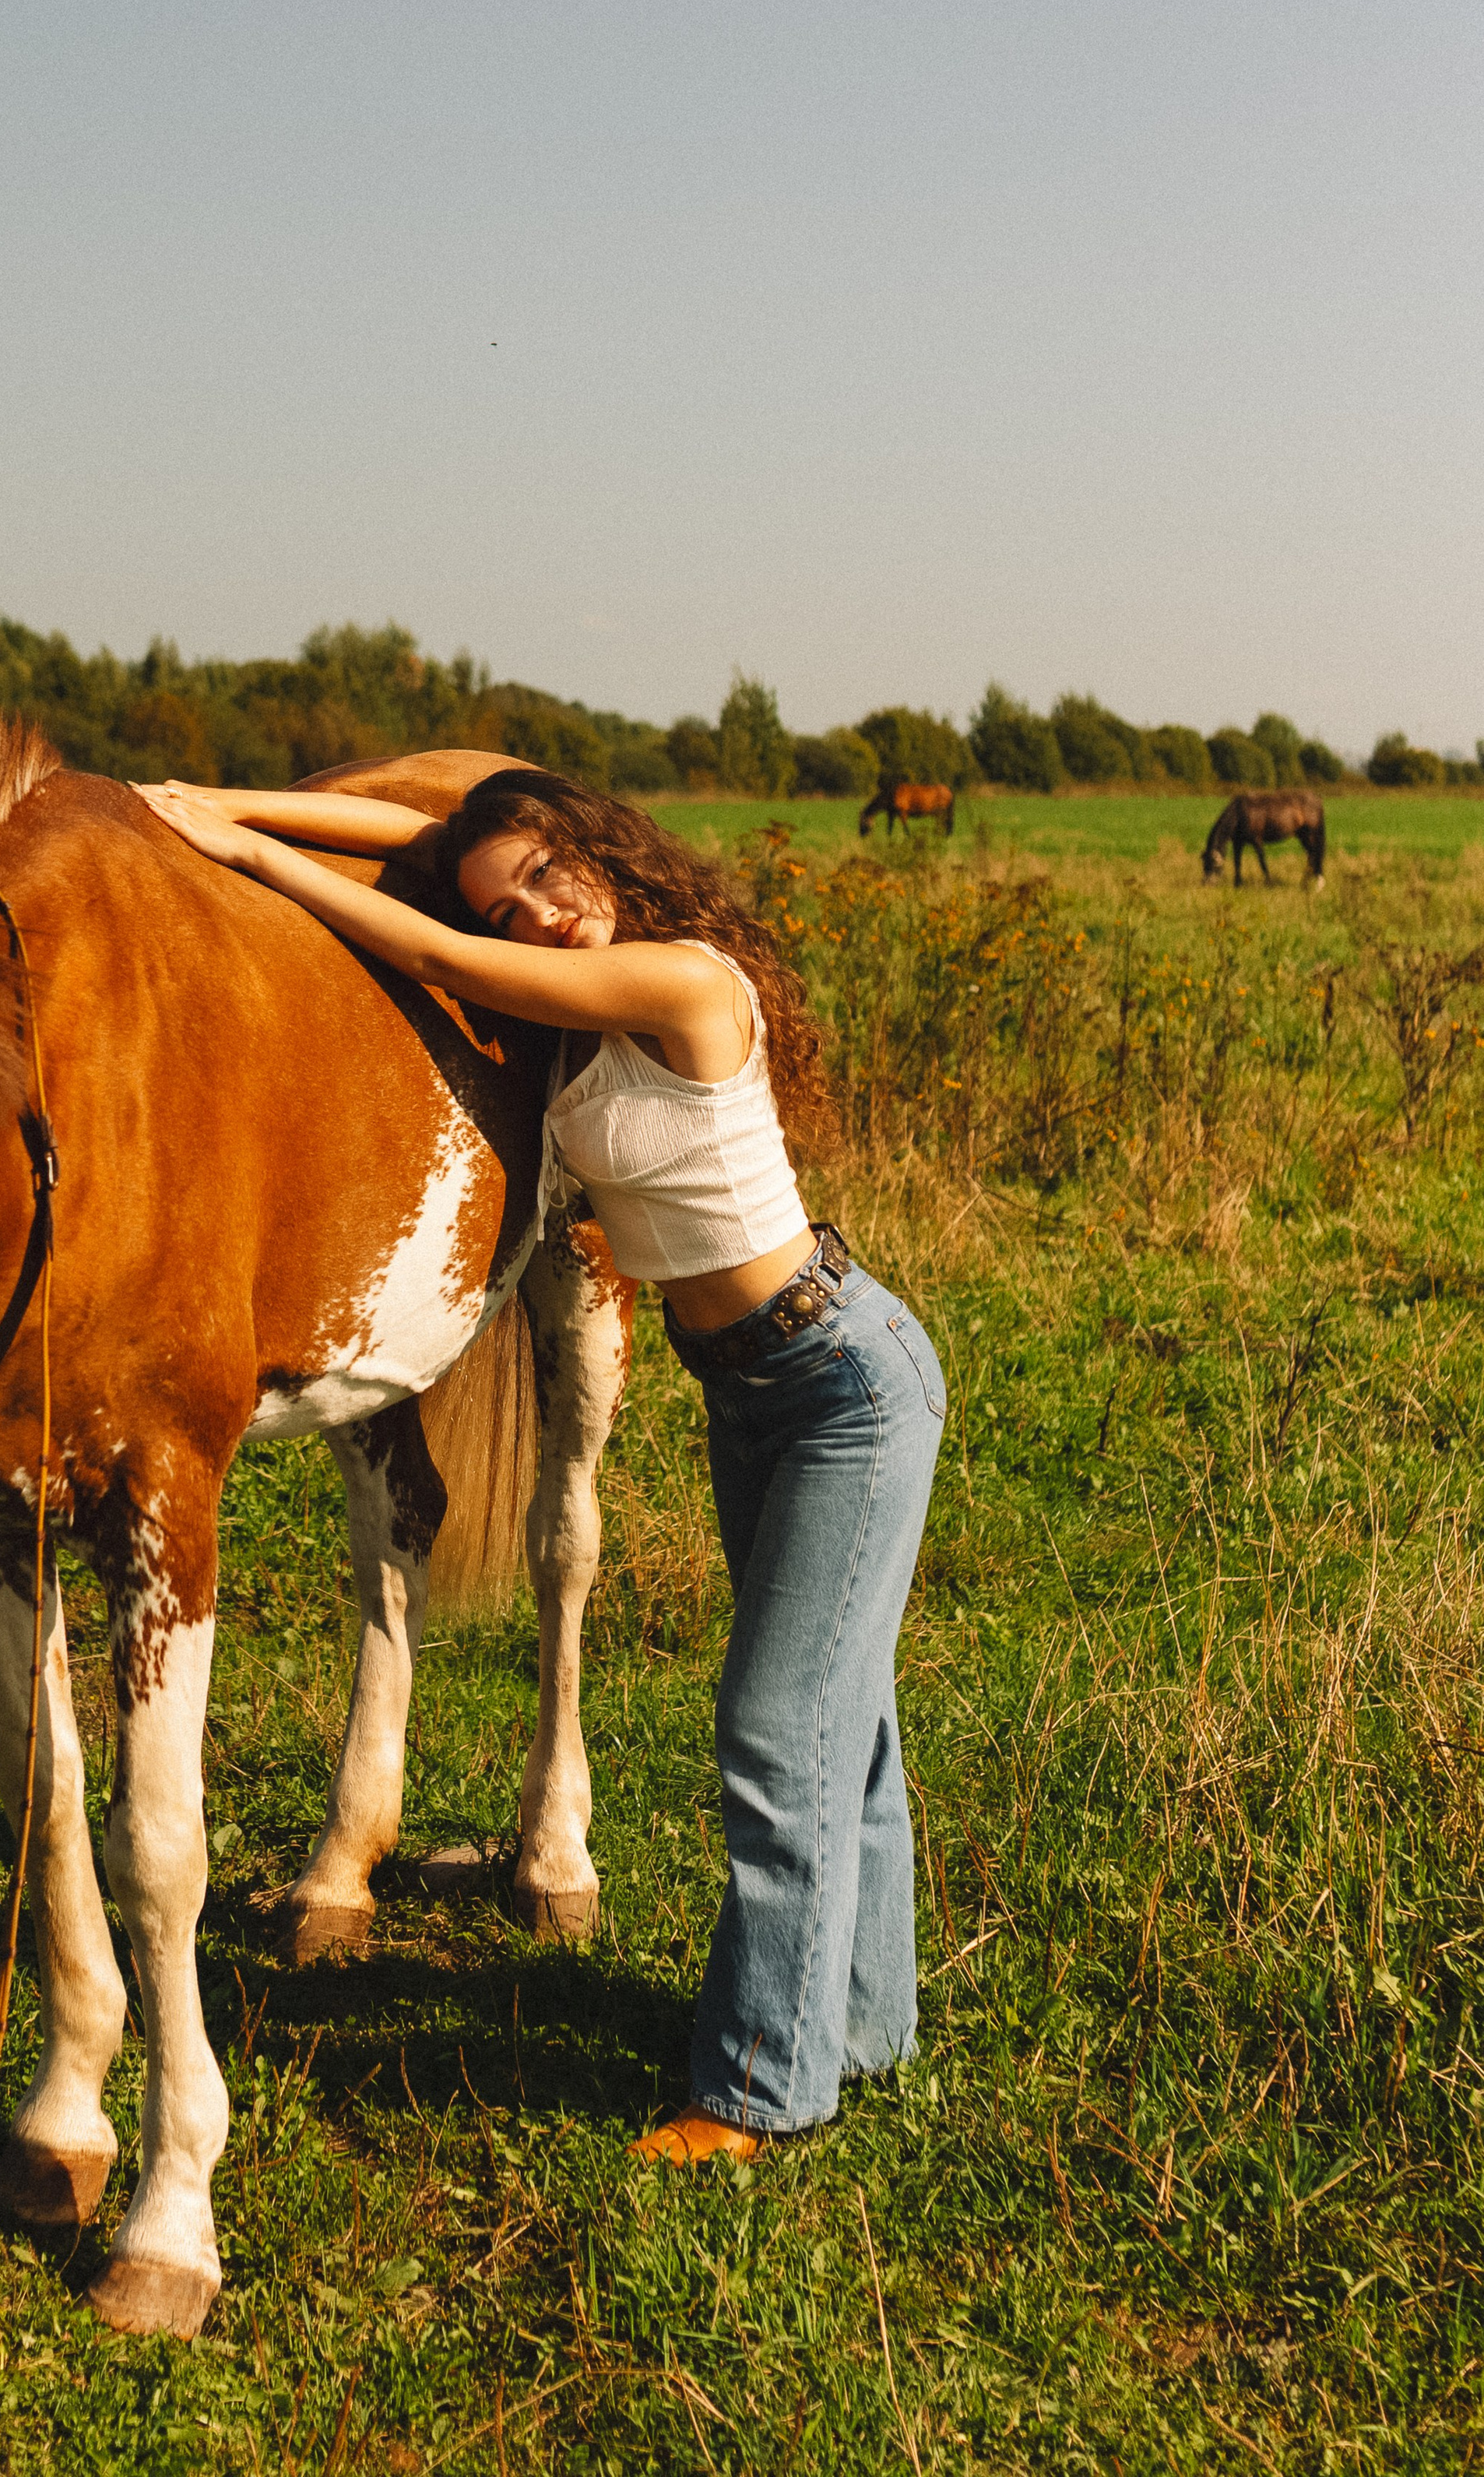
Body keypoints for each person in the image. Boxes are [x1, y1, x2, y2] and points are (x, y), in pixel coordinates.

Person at [139, 765, 944, 2162]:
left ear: (602, 849)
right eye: (512, 904)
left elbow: (441, 944)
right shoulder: (564, 963)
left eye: (550, 880)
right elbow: (425, 850)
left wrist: (247, 855)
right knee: (842, 1725)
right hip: (754, 1390)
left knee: (776, 1729)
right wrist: (223, 796)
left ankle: (757, 2094)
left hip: (842, 1384)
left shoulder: (682, 979)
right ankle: (859, 2027)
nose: (537, 918)